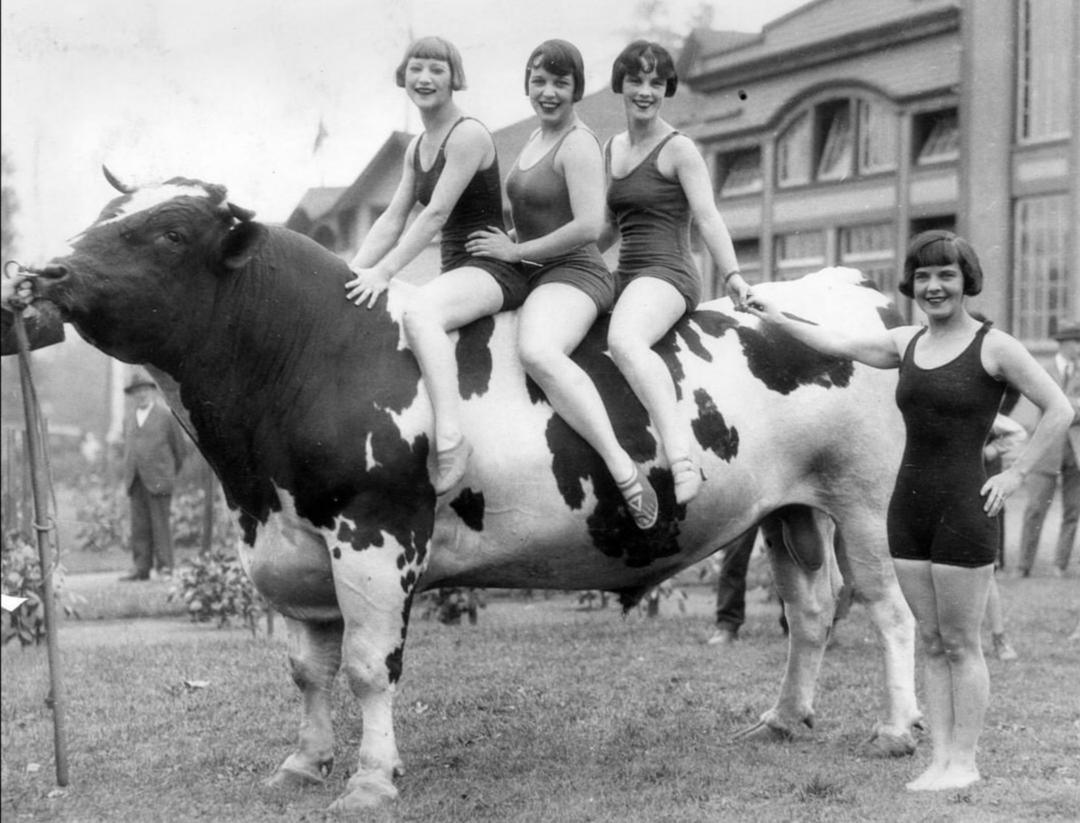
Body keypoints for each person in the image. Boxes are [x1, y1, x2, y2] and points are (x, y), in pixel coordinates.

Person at [746, 230, 1072, 791]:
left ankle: (963, 762)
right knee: (932, 641)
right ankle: (939, 759)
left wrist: (1017, 473)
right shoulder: (905, 342)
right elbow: (836, 343)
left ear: (966, 281)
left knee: (962, 643)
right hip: (907, 508)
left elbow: (1059, 408)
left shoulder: (995, 347)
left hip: (964, 508)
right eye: (923, 276)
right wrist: (777, 314)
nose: (933, 286)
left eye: (946, 274)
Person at [464, 40, 656, 527]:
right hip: (534, 270)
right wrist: (503, 244)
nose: (548, 92)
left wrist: (515, 251)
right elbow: (538, 217)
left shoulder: (578, 143)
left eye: (560, 83)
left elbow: (589, 225)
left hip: (574, 273)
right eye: (539, 81)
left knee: (537, 351)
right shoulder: (535, 137)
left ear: (577, 89)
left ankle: (622, 467)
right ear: (527, 85)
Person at [344, 36, 528, 495]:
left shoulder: (468, 135)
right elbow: (392, 218)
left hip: (492, 269)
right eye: (416, 68)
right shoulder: (416, 147)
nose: (424, 78)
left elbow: (435, 215)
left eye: (436, 69)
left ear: (454, 78)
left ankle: (451, 441)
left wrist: (384, 272)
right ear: (403, 76)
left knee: (419, 313)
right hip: (458, 272)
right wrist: (348, 271)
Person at [601, 40, 753, 510]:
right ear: (621, 85)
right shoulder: (611, 147)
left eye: (656, 82)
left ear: (667, 88)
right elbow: (607, 229)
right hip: (626, 275)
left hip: (669, 273)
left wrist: (732, 274)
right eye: (636, 81)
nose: (645, 92)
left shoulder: (679, 148)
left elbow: (707, 217)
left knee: (625, 340)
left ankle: (682, 457)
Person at [1017, 321, 1080, 578]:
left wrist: (1062, 405)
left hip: (1076, 452)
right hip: (1045, 450)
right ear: (1063, 343)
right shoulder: (1042, 371)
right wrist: (1070, 405)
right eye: (1076, 342)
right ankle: (1023, 566)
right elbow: (1044, 403)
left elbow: (1057, 407)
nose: (1079, 348)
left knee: (1073, 511)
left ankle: (1059, 565)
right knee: (1035, 509)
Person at [120, 370, 187, 581]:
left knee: (160, 525)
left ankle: (165, 567)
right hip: (135, 479)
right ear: (132, 395)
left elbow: (180, 450)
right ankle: (141, 568)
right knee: (139, 526)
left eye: (145, 390)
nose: (141, 395)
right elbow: (128, 448)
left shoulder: (166, 416)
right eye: (137, 391)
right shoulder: (129, 418)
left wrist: (167, 474)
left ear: (153, 392)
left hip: (159, 479)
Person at [982, 411, 1025, 661]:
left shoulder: (978, 404)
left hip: (973, 490)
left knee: (985, 571)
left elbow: (1017, 431)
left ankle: (1000, 638)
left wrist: (991, 451)